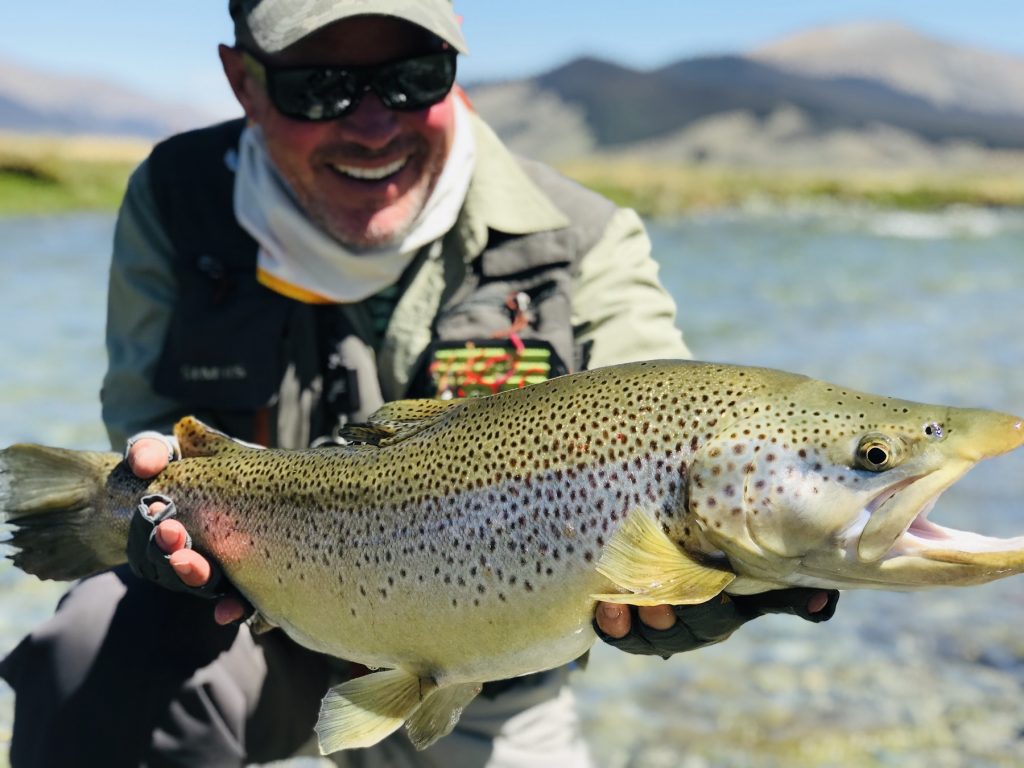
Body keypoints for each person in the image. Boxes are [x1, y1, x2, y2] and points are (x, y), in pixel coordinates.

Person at [0, 2, 838, 765]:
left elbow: (676, 422)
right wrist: (150, 514)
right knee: (89, 649)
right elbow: (147, 428)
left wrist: (714, 580)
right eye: (321, 87)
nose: (372, 126)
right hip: (254, 636)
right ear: (242, 82)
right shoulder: (177, 201)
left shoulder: (584, 235)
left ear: (455, 66)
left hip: (495, 675)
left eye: (412, 79)